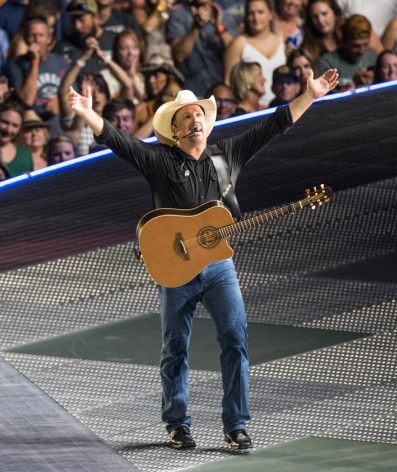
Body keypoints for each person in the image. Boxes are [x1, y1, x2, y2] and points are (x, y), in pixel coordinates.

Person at [68, 61, 338, 450]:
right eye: (186, 117)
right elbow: (118, 141)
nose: (195, 120)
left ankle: (236, 425)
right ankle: (177, 424)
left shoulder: (227, 155)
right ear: (174, 130)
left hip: (218, 267)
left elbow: (275, 125)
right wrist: (87, 113)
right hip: (175, 269)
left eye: (199, 114)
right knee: (174, 347)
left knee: (235, 339)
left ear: (207, 124)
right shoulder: (159, 162)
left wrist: (310, 95)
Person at [223, 0, 286, 107]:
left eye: (260, 12)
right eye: (251, 13)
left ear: (270, 14)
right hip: (253, 109)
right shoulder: (238, 44)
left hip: (281, 106)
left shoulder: (282, 40)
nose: (256, 17)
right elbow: (228, 83)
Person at [165, 0, 233, 97]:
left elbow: (235, 50)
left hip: (220, 90)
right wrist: (195, 27)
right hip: (191, 90)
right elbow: (179, 55)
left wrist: (219, 27)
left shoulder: (222, 14)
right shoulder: (178, 15)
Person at [318, 14, 378, 89]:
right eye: (356, 46)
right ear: (344, 41)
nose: (361, 51)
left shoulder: (373, 58)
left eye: (365, 44)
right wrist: (353, 82)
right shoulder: (327, 64)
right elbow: (325, 94)